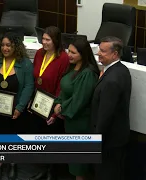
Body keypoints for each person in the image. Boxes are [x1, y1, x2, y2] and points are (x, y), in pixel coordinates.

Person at [0, 32, 34, 180]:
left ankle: (12, 164)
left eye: (9, 45)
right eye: (2, 45)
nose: (5, 48)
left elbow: (29, 86)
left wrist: (20, 107)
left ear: (16, 46)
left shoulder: (25, 64)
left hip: (16, 111)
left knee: (14, 138)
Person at [53, 37, 99, 180]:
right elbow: (64, 89)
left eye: (74, 53)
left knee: (79, 165)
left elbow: (79, 100)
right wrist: (58, 102)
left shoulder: (88, 73)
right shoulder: (72, 68)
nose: (69, 55)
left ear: (83, 54)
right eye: (69, 51)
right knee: (73, 161)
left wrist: (61, 108)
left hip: (80, 123)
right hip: (70, 122)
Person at [28, 26, 69, 180]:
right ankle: (43, 169)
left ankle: (51, 171)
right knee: (39, 136)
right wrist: (31, 99)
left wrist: (54, 112)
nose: (43, 42)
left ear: (56, 41)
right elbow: (35, 78)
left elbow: (61, 86)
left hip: (52, 104)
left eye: (47, 40)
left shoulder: (63, 58)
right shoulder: (39, 53)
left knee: (51, 138)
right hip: (38, 101)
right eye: (43, 39)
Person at [91, 36, 131, 180]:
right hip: (117, 139)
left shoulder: (112, 80)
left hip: (109, 141)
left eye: (103, 51)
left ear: (115, 54)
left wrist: (96, 140)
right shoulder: (122, 70)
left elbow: (105, 115)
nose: (98, 53)